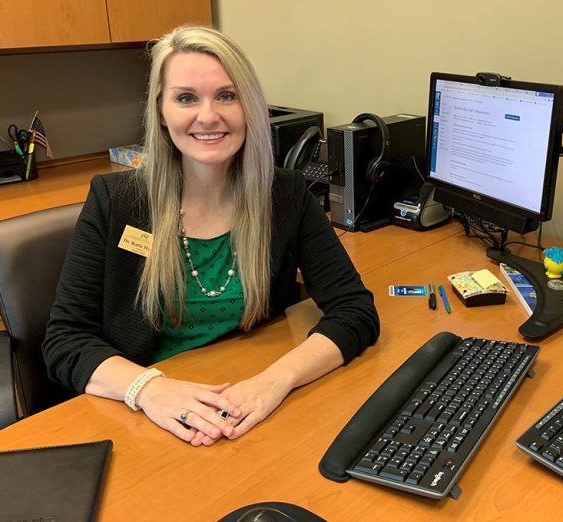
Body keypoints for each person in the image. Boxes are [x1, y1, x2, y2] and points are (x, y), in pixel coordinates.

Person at [42, 25, 379, 447]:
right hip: (144, 422)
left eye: (226, 95)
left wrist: (277, 380)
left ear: (250, 108)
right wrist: (147, 388)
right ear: (161, 114)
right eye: (186, 98)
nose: (208, 116)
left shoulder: (285, 195)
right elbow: (64, 341)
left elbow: (355, 311)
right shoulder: (117, 202)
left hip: (245, 409)